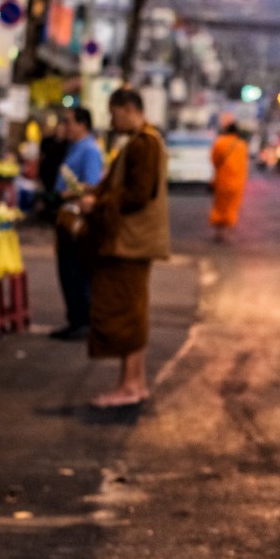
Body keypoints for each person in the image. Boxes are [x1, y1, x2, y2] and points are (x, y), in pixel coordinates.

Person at [79, 87, 170, 407]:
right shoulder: (144, 141)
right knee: (133, 309)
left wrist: (98, 203)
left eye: (114, 112)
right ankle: (134, 381)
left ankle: (130, 384)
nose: (111, 119)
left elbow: (137, 194)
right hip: (135, 243)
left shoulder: (144, 144)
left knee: (125, 312)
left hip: (130, 242)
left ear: (129, 108)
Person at [50, 106, 105, 341]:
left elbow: (90, 188)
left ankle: (82, 320)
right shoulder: (75, 147)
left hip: (77, 222)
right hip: (65, 218)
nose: (65, 126)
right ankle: (75, 319)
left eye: (69, 122)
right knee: (67, 271)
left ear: (83, 124)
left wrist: (70, 194)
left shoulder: (90, 150)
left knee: (76, 271)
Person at [209, 119, 250, 241]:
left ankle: (219, 231)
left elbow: (214, 160)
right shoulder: (241, 145)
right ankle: (227, 230)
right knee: (232, 206)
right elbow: (244, 164)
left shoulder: (219, 142)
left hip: (222, 180)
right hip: (237, 181)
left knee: (220, 205)